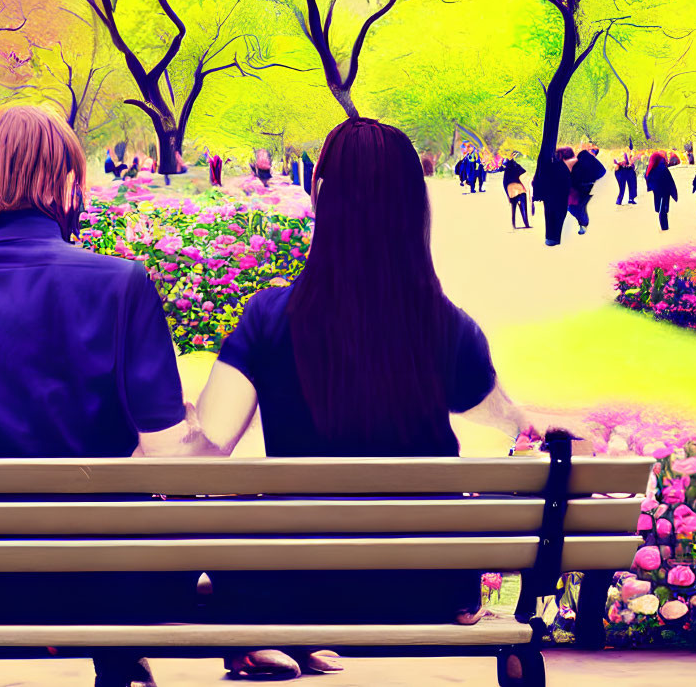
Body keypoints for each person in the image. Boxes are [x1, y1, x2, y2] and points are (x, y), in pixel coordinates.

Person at [0, 105, 206, 687]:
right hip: (112, 589)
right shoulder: (122, 285)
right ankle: (121, 666)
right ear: (70, 183)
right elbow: (170, 460)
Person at [194, 116, 535, 680]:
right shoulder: (446, 327)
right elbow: (498, 413)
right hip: (428, 589)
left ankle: (268, 638)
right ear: (413, 208)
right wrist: (532, 419)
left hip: (295, 588)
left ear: (323, 201)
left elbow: (210, 447)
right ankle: (290, 644)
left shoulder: (268, 319)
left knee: (240, 537)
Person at [531, 146, 573, 246]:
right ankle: (555, 238)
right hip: (561, 197)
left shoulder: (549, 166)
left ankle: (549, 238)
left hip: (549, 196)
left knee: (549, 215)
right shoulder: (564, 167)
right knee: (559, 216)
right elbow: (568, 183)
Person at [568, 148, 606, 234]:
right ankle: (583, 224)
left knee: (575, 207)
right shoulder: (583, 157)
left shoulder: (588, 159)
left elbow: (602, 172)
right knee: (574, 207)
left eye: (593, 152)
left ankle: (583, 224)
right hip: (576, 187)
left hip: (583, 188)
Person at [644, 151, 679, 231]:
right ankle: (665, 227)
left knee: (660, 208)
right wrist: (673, 191)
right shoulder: (662, 168)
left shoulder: (650, 168)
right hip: (664, 190)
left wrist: (652, 187)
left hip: (656, 190)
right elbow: (669, 180)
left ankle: (664, 226)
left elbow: (647, 178)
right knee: (663, 209)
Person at [501, 155, 530, 229]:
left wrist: (508, 195)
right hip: (520, 189)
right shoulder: (517, 166)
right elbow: (524, 172)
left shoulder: (507, 170)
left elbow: (504, 183)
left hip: (512, 191)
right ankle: (526, 223)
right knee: (523, 207)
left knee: (513, 208)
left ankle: (514, 224)